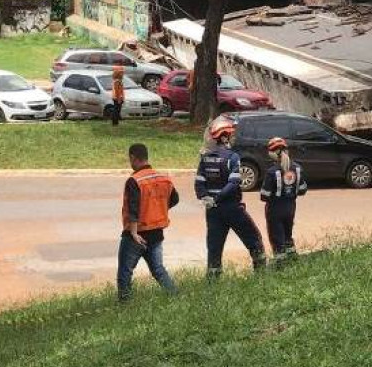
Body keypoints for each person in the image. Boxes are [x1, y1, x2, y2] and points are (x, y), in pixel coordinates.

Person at [195, 119, 267, 277]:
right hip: (232, 208)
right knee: (253, 238)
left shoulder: (205, 158)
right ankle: (262, 275)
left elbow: (199, 182)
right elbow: (234, 183)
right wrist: (219, 197)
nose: (233, 138)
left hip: (213, 211)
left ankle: (213, 280)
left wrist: (205, 197)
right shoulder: (232, 157)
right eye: (230, 135)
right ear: (223, 137)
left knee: (214, 246)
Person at [117, 143, 179, 302]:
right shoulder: (163, 178)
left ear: (133, 157)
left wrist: (133, 232)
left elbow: (133, 208)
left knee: (125, 272)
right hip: (156, 233)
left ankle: (124, 305)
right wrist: (157, 210)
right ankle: (176, 296)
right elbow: (174, 199)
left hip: (137, 235)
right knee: (158, 270)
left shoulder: (134, 180)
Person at [260, 138, 308, 265]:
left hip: (274, 210)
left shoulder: (272, 172)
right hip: (290, 207)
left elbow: (264, 195)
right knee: (288, 235)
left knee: (276, 238)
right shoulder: (297, 168)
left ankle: (281, 265)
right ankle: (292, 260)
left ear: (273, 153)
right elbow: (303, 189)